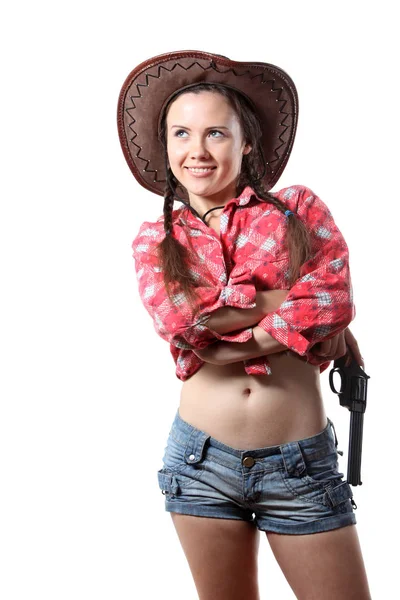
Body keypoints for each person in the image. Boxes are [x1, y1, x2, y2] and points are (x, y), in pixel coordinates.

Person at [117, 51, 371, 599]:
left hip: (299, 464)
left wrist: (238, 331)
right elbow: (186, 323)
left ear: (247, 142)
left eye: (216, 133)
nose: (197, 150)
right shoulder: (154, 240)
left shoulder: (296, 209)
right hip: (199, 461)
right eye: (181, 133)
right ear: (166, 147)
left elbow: (334, 295)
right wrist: (287, 307)